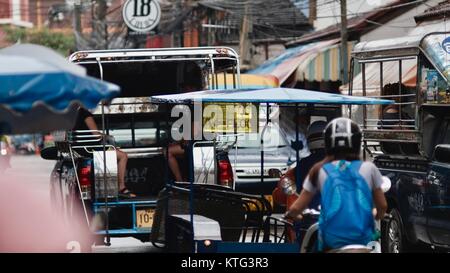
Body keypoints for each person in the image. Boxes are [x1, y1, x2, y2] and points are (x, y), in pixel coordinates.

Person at [284, 117, 387, 252]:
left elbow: (297, 206)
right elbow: (382, 206)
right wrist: (375, 214)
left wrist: (291, 213)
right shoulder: (369, 169)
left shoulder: (317, 169)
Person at [73, 106, 135, 198]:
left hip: (81, 148)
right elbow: (96, 135)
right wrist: (107, 136)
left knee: (114, 150)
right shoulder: (84, 113)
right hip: (90, 148)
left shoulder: (73, 114)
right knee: (123, 156)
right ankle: (121, 187)